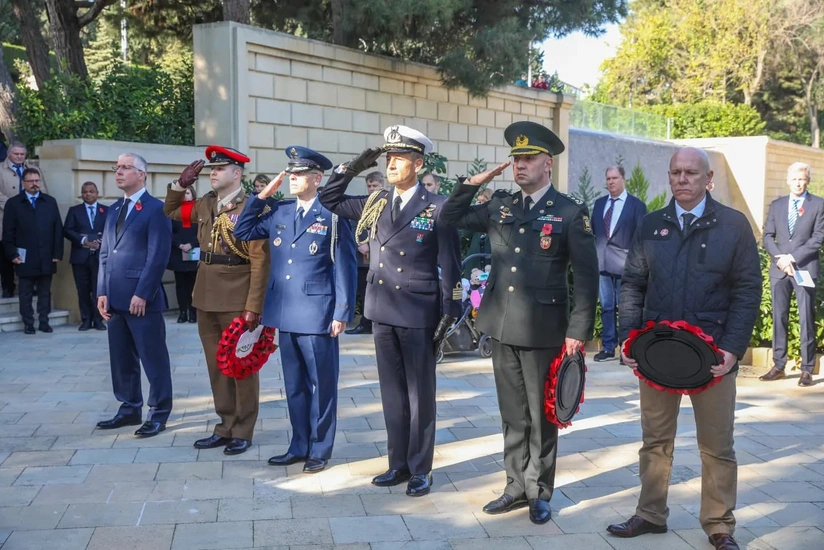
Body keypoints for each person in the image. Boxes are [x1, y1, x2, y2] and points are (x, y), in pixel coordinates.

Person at [442, 121, 599, 524]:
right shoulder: (501, 205)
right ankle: (514, 485)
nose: (519, 165)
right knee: (512, 412)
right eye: (515, 159)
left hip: (544, 330)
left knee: (542, 414)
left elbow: (585, 278)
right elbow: (450, 217)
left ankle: (538, 490)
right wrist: (474, 183)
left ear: (547, 163)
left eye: (528, 158)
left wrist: (577, 333)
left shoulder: (568, 212)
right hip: (500, 324)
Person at [607, 148, 761, 550]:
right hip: (657, 355)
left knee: (717, 446)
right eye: (675, 172)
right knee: (655, 440)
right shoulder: (650, 224)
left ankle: (718, 525)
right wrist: (628, 335)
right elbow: (633, 284)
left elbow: (748, 291)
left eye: (691, 172)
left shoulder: (733, 225)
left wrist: (732, 350)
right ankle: (651, 514)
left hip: (712, 360)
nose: (682, 179)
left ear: (708, 179)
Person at [320, 125, 462, 497]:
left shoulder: (437, 206)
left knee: (419, 395)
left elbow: (452, 264)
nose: (391, 164)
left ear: (418, 162)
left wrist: (451, 311)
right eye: (388, 158)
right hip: (382, 309)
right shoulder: (376, 202)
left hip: (418, 311)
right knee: (392, 394)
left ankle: (420, 469)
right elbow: (329, 200)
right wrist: (351, 168)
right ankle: (397, 464)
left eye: (399, 158)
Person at [234, 146, 357, 472]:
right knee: (294, 385)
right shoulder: (281, 211)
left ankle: (320, 448)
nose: (291, 178)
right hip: (285, 311)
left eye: (299, 173)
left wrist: (342, 311)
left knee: (322, 384)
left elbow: (345, 264)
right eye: (290, 173)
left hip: (318, 313)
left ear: (317, 178)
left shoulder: (332, 213)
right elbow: (242, 231)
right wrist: (261, 197)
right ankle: (298, 444)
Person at [164, 146, 268, 455]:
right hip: (206, 294)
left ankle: (243, 429)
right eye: (212, 168)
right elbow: (171, 211)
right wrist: (180, 185)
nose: (213, 173)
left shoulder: (252, 207)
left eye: (220, 168)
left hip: (238, 295)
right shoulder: (205, 204)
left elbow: (261, 262)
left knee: (242, 366)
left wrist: (254, 305)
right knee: (216, 366)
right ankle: (225, 425)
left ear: (237, 173)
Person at [96, 153, 172, 438]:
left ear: (142, 174)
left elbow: (158, 256)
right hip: (114, 299)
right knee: (121, 359)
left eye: (125, 168)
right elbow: (105, 254)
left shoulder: (156, 209)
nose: (119, 172)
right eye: (116, 168)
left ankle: (159, 412)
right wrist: (102, 291)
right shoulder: (114, 209)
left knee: (153, 359)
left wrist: (143, 292)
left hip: (141, 300)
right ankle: (129, 407)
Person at [760, 162, 824, 387]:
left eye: (802, 179)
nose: (798, 183)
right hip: (780, 270)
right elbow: (767, 235)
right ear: (787, 180)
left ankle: (807, 369)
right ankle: (779, 365)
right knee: (779, 317)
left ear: (807, 181)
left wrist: (792, 258)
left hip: (804, 268)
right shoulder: (777, 205)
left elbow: (818, 238)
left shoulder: (818, 204)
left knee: (806, 317)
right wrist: (780, 258)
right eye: (794, 179)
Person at [592, 166, 646, 362]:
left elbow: (641, 238)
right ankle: (608, 347)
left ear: (624, 179)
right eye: (608, 178)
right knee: (607, 306)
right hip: (602, 264)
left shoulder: (636, 206)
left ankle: (627, 349)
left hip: (626, 265)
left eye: (615, 178)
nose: (611, 182)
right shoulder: (599, 205)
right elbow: (595, 234)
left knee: (627, 308)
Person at [1, 168, 63, 334]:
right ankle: (28, 323)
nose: (35, 184)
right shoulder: (13, 204)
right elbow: (8, 232)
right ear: (23, 183)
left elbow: (57, 228)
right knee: (25, 292)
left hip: (46, 255)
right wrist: (12, 254)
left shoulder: (49, 201)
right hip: (24, 256)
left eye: (37, 181)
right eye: (31, 181)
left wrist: (57, 253)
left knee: (44, 291)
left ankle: (44, 321)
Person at [0, 141, 48, 298]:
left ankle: (28, 286)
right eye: (16, 154)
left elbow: (44, 190)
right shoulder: (0, 170)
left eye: (22, 154)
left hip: (30, 218)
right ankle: (8, 287)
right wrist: (16, 207)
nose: (19, 157)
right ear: (8, 154)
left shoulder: (33, 170)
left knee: (28, 251)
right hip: (6, 216)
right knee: (7, 252)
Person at [63, 181, 108, 331]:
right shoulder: (74, 211)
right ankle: (86, 319)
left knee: (98, 289)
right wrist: (84, 240)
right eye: (85, 192)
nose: (88, 194)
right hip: (80, 257)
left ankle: (98, 318)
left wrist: (102, 241)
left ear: (97, 193)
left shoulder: (106, 211)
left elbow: (111, 230)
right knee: (82, 289)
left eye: (91, 191)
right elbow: (67, 230)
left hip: (100, 258)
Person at [346, 170, 386, 336]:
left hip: (382, 258)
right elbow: (355, 226)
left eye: (375, 185)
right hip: (363, 259)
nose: (371, 188)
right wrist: (360, 243)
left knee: (382, 294)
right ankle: (366, 322)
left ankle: (379, 323)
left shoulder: (389, 203)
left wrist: (371, 243)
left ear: (382, 185)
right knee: (365, 291)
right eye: (369, 185)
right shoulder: (363, 203)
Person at [167, 186, 200, 324]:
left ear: (192, 194)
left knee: (193, 284)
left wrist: (191, 244)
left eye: (187, 193)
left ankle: (193, 312)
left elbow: (203, 232)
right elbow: (169, 231)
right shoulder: (175, 212)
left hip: (194, 250)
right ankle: (182, 312)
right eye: (183, 193)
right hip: (178, 252)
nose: (185, 195)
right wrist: (179, 244)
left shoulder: (198, 211)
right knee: (180, 285)